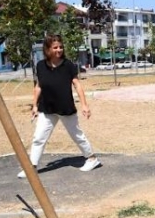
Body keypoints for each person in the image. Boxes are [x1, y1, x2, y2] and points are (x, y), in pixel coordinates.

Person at [18, 35, 100, 178]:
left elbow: (77, 85)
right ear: (47, 49)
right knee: (38, 138)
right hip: (47, 108)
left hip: (65, 107)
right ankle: (32, 167)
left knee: (77, 135)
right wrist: (35, 105)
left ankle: (92, 158)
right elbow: (38, 87)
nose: (59, 50)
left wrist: (85, 105)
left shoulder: (68, 65)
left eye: (60, 47)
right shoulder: (41, 66)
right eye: (55, 47)